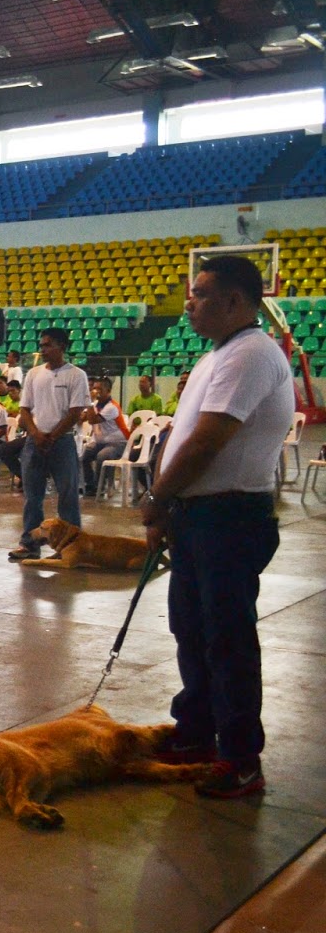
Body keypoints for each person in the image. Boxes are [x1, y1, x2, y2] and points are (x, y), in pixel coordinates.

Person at [141, 255, 294, 799]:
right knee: (192, 629)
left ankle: (240, 757)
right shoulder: (218, 355)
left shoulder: (251, 354)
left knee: (226, 639)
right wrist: (165, 505)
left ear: (233, 300)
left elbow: (207, 440)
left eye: (201, 294)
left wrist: (158, 497)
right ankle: (197, 732)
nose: (190, 302)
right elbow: (178, 436)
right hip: (198, 515)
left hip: (230, 518)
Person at [8, 328, 89, 561]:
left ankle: (70, 548)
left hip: (61, 443)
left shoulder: (76, 375)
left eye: (47, 345)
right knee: (32, 496)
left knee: (67, 495)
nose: (42, 350)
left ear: (62, 347)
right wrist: (35, 434)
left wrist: (52, 437)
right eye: (41, 345)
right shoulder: (34, 374)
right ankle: (30, 544)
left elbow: (75, 412)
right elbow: (25, 408)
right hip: (35, 442)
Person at [81, 377, 128, 497]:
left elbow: (92, 420)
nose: (96, 391)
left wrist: (90, 402)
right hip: (101, 442)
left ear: (108, 391)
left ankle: (100, 487)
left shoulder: (112, 407)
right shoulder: (96, 404)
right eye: (95, 388)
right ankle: (90, 484)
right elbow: (82, 418)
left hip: (119, 443)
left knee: (103, 455)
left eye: (99, 389)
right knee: (84, 455)